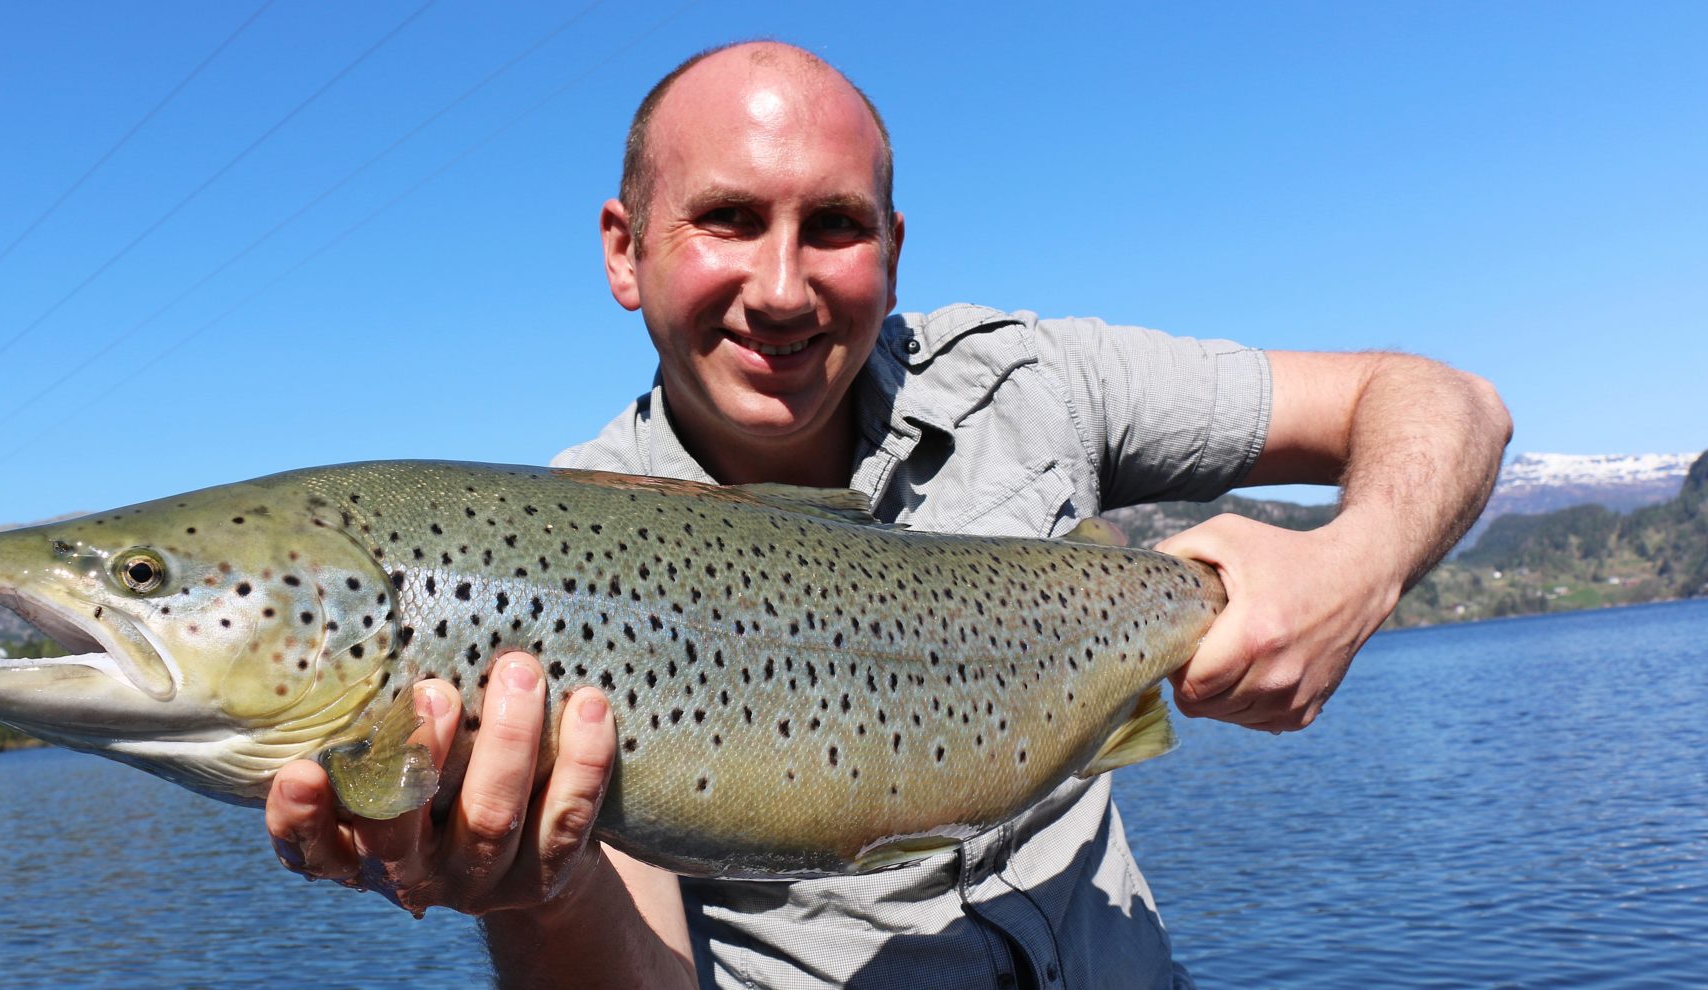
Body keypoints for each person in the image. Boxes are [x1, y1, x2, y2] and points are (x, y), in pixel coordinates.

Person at [264, 41, 1510, 989]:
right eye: (730, 219)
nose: (784, 286)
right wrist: (529, 894)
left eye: (836, 227)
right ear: (624, 249)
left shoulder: (1035, 380)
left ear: (895, 249)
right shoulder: (549, 564)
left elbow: (1442, 402)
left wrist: (1357, 562)